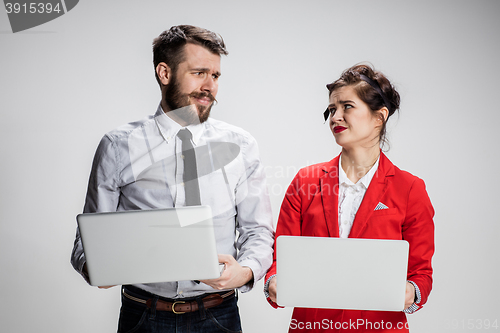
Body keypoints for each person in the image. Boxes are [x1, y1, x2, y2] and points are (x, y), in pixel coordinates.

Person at [71, 25, 274, 333]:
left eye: (215, 76)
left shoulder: (241, 145)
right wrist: (96, 269)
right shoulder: (118, 145)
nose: (209, 86)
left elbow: (258, 232)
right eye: (199, 73)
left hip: (219, 315)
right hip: (143, 316)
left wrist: (244, 272)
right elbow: (85, 243)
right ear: (164, 73)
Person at [264, 64, 434, 332]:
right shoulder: (304, 182)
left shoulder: (410, 188)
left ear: (380, 117)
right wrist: (273, 282)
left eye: (347, 107)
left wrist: (410, 292)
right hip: (311, 326)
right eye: (332, 109)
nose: (336, 117)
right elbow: (279, 258)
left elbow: (420, 273)